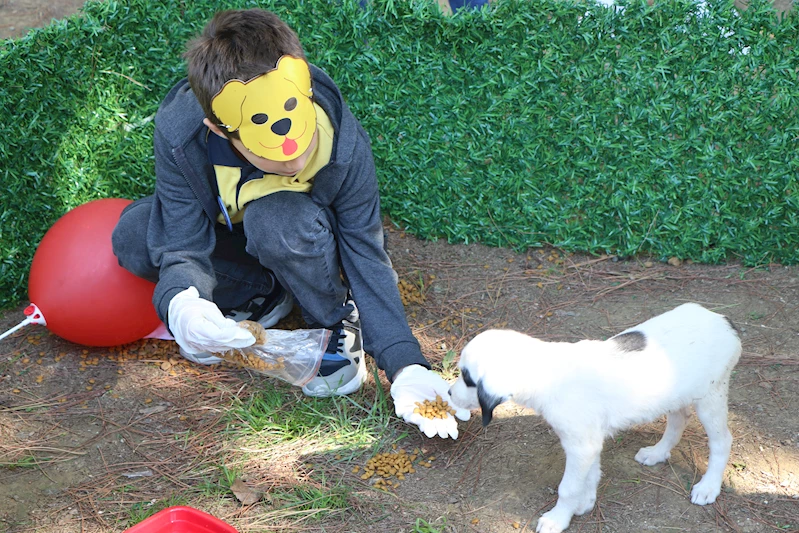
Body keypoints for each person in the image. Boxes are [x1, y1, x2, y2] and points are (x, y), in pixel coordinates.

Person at [111, 8, 470, 438]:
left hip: (305, 237)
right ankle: (264, 295)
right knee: (133, 235)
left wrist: (406, 362)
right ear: (222, 131)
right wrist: (184, 305)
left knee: (276, 218)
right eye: (269, 147)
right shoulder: (180, 132)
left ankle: (336, 320)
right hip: (237, 237)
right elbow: (181, 244)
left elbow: (364, 249)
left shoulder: (342, 140)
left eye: (298, 131)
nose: (291, 153)